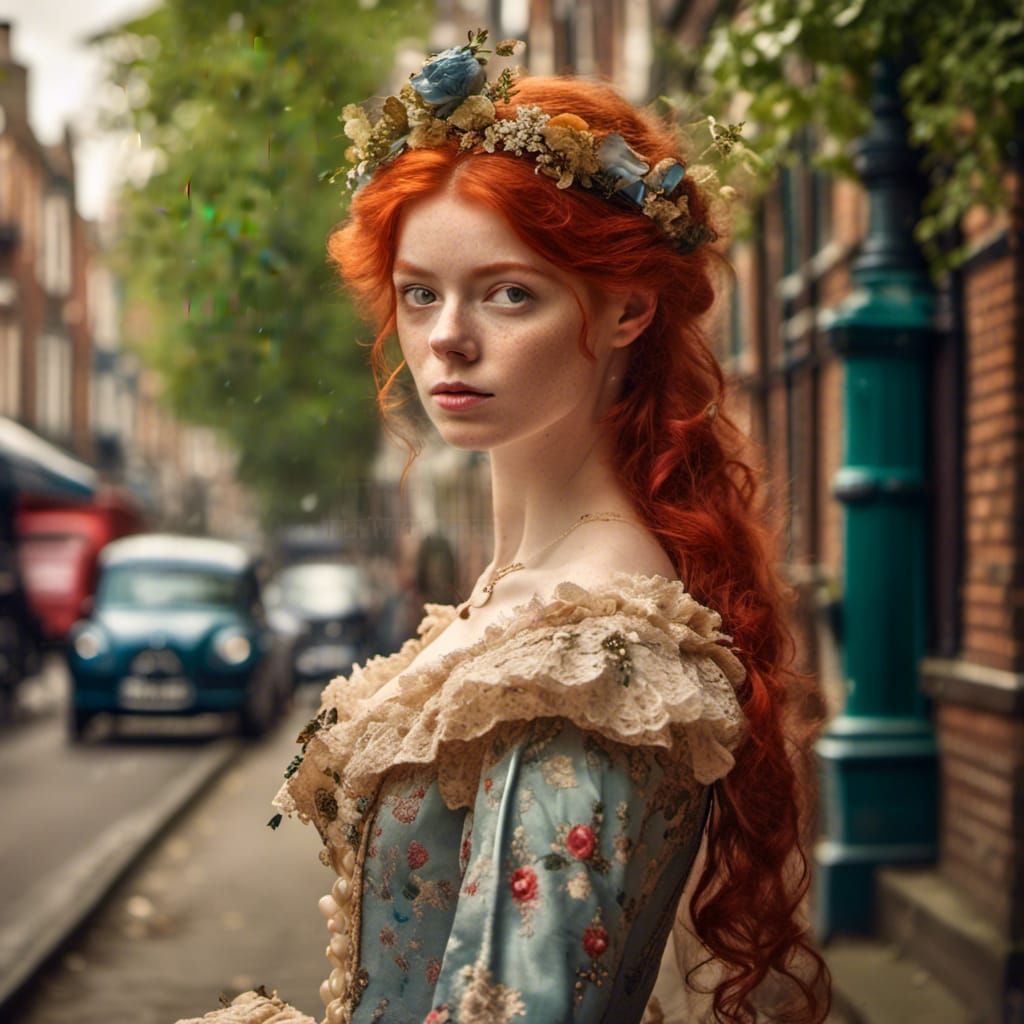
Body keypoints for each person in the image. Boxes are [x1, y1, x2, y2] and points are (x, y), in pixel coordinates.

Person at [178, 30, 830, 1024]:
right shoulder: (533, 591)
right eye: (420, 294)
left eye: (508, 293)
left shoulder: (590, 655)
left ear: (627, 312)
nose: (447, 338)